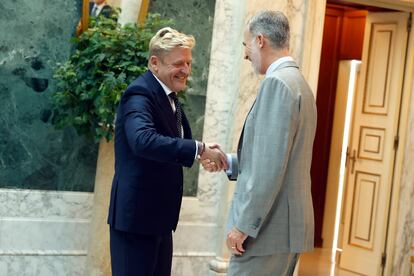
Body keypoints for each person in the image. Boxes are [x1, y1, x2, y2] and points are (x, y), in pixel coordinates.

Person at [203, 10, 317, 275]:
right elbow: (278, 157)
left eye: (246, 45)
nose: (245, 54)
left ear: (260, 40)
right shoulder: (299, 83)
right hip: (285, 229)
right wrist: (229, 161)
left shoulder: (277, 84)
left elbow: (268, 171)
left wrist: (243, 226)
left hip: (267, 231)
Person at [107, 27, 227, 276]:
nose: (186, 70)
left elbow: (173, 140)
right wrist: (199, 149)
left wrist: (201, 153)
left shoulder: (168, 94)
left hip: (159, 220)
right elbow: (143, 140)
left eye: (189, 63)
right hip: (136, 222)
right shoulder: (139, 94)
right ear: (154, 63)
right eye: (179, 63)